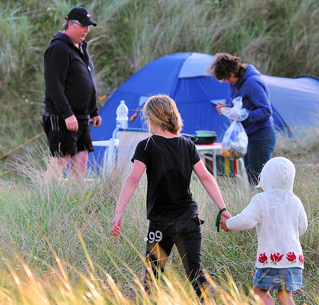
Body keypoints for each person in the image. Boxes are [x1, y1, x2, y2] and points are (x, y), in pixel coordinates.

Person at [111, 94, 232, 300]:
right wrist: (223, 209)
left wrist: (119, 211)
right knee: (195, 273)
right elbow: (206, 176)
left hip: (160, 224)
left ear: (150, 118)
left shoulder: (147, 146)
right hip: (189, 221)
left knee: (152, 275)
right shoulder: (187, 145)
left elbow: (133, 180)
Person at [220, 157, 308, 305]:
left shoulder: (261, 200)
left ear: (266, 178)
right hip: (293, 260)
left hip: (270, 260)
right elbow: (303, 227)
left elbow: (245, 220)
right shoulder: (295, 200)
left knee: (259, 293)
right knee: (285, 296)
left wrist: (228, 223)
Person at [42, 7, 102, 180]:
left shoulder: (82, 47)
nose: (87, 30)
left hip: (82, 117)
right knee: (59, 164)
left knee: (80, 164)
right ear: (70, 24)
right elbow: (54, 85)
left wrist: (93, 111)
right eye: (83, 26)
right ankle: (43, 203)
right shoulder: (58, 48)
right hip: (62, 117)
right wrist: (67, 114)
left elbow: (86, 81)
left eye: (89, 27)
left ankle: (75, 204)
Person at [209, 53, 276, 186]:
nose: (227, 81)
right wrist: (228, 109)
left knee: (258, 182)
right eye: (224, 79)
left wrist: (245, 115)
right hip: (247, 137)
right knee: (251, 179)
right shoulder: (235, 82)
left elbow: (266, 110)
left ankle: (266, 206)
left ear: (234, 70)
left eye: (228, 77)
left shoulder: (252, 83)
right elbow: (241, 107)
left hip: (261, 137)